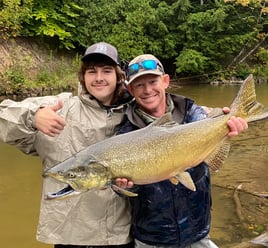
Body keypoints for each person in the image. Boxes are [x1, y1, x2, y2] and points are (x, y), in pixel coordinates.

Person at [0, 42, 133, 247]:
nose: (99, 78)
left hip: (120, 234)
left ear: (118, 76)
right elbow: (3, 115)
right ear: (82, 77)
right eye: (91, 71)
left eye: (106, 71)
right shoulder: (60, 107)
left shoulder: (133, 112)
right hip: (70, 236)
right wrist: (33, 118)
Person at [116, 54, 248, 248]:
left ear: (166, 81)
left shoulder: (192, 112)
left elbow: (209, 121)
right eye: (139, 85)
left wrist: (229, 121)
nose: (147, 90)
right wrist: (125, 187)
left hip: (197, 229)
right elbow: (124, 191)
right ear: (130, 89)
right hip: (152, 237)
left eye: (153, 82)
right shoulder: (125, 133)